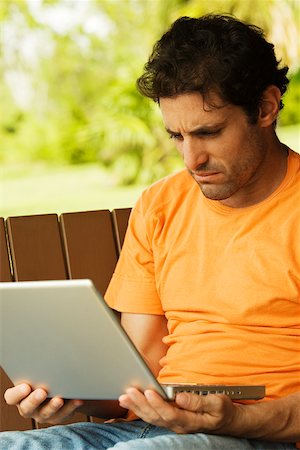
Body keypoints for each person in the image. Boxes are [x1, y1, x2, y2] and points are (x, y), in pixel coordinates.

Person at [1, 13, 299, 450]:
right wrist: (72, 394)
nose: (191, 159)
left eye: (209, 132)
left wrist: (241, 417)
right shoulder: (160, 205)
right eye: (177, 136)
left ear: (266, 107)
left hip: (258, 436)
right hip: (144, 430)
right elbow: (137, 380)